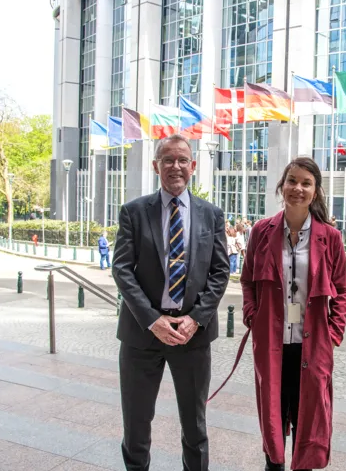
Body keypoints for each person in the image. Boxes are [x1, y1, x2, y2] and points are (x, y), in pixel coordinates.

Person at [112, 134, 230, 471]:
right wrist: (152, 319)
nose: (175, 166)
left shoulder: (211, 215)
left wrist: (196, 318)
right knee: (136, 427)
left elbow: (220, 271)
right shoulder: (134, 212)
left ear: (193, 166)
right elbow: (122, 269)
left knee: (195, 428)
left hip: (192, 336)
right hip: (141, 335)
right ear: (156, 166)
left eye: (182, 160)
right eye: (167, 159)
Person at [241, 156, 346, 471]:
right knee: (273, 418)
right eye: (292, 181)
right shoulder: (262, 232)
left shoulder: (330, 237)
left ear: (315, 192)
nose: (297, 188)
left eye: (306, 183)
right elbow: (247, 280)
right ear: (282, 186)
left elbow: (342, 289)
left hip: (312, 346)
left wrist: (333, 333)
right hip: (272, 345)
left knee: (308, 420)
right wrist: (252, 315)